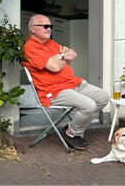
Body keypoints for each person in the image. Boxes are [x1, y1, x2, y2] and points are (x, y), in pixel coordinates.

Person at [22, 14, 109, 150]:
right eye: (44, 26)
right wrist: (64, 56)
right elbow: (55, 67)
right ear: (33, 29)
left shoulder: (50, 43)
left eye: (50, 26)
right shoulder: (30, 48)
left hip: (74, 83)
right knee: (89, 105)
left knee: (103, 97)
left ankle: (72, 126)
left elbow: (73, 53)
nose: (48, 29)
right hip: (54, 91)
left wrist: (60, 56)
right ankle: (73, 133)